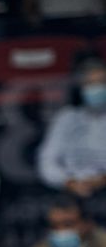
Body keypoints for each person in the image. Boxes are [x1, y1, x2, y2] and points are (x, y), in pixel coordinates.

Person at [36, 58, 106, 201]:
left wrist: (102, 180)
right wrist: (70, 182)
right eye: (90, 83)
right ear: (80, 88)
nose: (97, 88)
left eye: (101, 82)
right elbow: (47, 162)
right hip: (69, 191)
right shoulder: (66, 118)